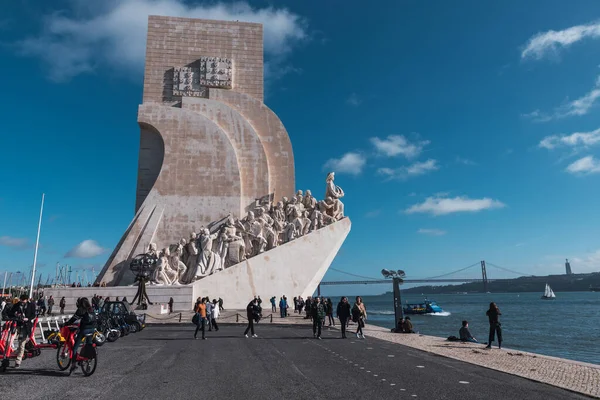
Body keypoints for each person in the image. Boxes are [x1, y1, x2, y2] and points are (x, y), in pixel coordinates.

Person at [64, 297, 97, 374]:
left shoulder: (81, 309)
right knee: (89, 344)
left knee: (75, 347)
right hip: (92, 329)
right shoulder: (91, 309)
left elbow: (73, 319)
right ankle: (88, 362)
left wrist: (66, 323)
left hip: (84, 330)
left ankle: (73, 365)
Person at [10, 294, 36, 368]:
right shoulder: (17, 305)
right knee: (9, 341)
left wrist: (28, 319)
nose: (22, 302)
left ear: (27, 300)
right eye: (21, 300)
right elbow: (11, 312)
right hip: (16, 325)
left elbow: (33, 315)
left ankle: (18, 361)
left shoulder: (31, 305)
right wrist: (16, 314)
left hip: (25, 326)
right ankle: (9, 355)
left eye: (23, 300)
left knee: (21, 344)